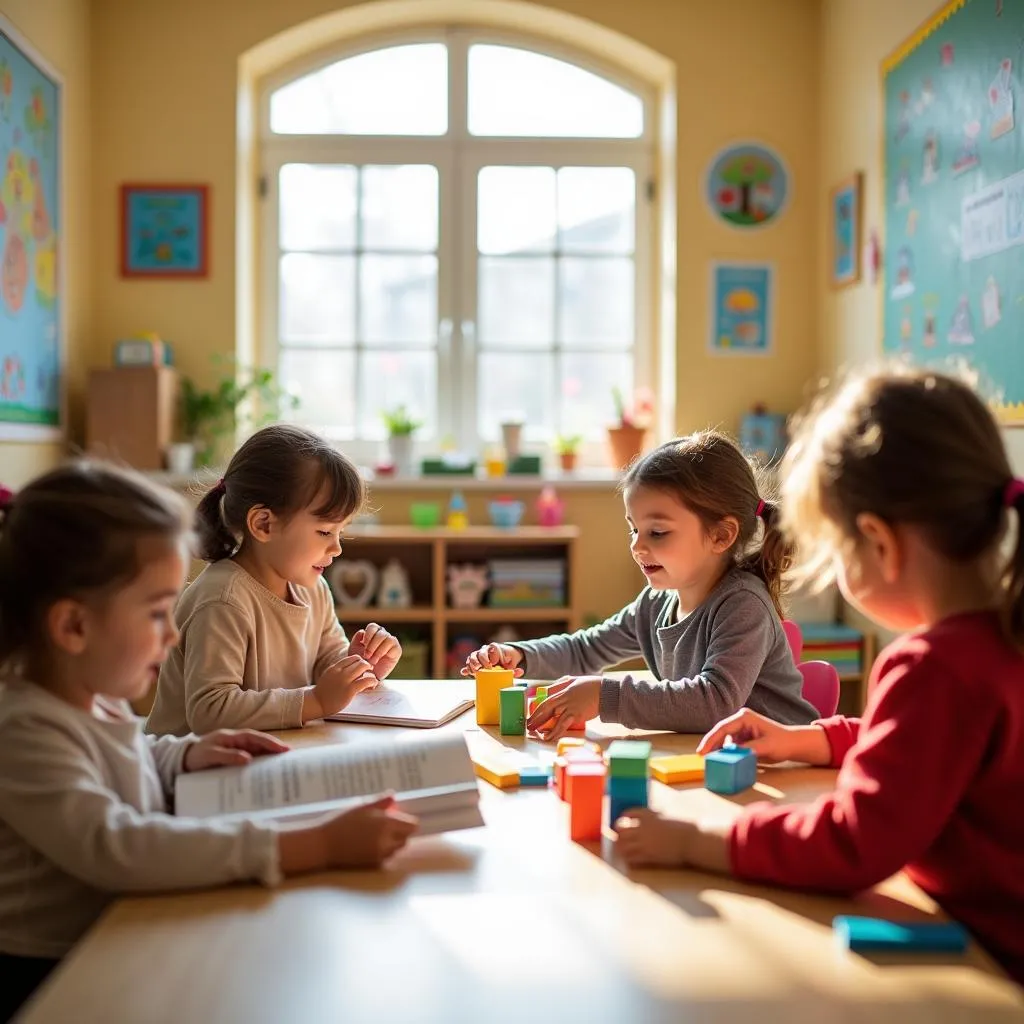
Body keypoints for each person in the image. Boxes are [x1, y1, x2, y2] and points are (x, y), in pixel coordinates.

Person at [615, 369, 1024, 986]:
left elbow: (855, 841)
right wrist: (811, 739)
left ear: (879, 543)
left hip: (989, 966)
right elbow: (931, 746)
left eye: (835, 552)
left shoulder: (933, 667)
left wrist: (698, 841)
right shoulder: (1003, 635)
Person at [0, 464, 417, 1022]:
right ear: (73, 627)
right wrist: (312, 847)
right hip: (53, 972)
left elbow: (127, 754)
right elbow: (117, 847)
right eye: (155, 613)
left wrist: (182, 754)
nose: (173, 634)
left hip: (116, 930)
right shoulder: (24, 728)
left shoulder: (88, 696)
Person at [463, 431, 816, 739]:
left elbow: (714, 701)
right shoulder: (655, 604)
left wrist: (604, 696)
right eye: (634, 529)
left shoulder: (742, 604)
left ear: (721, 536)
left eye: (657, 532)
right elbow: (586, 650)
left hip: (787, 768)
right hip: (721, 758)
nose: (637, 545)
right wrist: (520, 655)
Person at [147, 424, 401, 736]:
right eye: (324, 532)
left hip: (265, 760)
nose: (336, 548)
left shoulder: (315, 590)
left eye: (340, 532)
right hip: (190, 774)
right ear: (263, 524)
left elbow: (327, 666)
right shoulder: (223, 600)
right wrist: (318, 700)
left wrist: (360, 666)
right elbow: (209, 711)